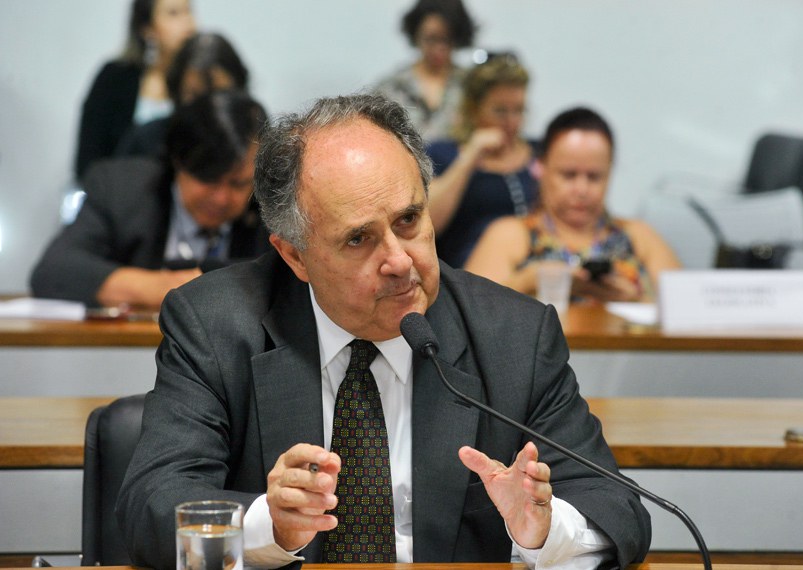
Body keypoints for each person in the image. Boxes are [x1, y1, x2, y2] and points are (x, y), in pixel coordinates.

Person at [115, 94, 651, 569]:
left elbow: (618, 511)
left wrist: (543, 530)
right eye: (358, 239)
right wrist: (268, 524)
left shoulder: (514, 336)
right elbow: (150, 508)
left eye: (408, 221)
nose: (399, 261)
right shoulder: (216, 325)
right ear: (295, 255)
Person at [30, 90, 269, 310]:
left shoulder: (271, 206)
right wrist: (170, 287)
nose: (221, 198)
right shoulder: (120, 189)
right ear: (178, 161)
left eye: (238, 184)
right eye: (208, 179)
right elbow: (54, 271)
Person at [465, 107, 681, 302]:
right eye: (568, 175)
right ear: (541, 168)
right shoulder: (511, 235)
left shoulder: (639, 237)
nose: (582, 190)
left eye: (594, 177)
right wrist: (526, 282)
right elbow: (470, 309)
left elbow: (687, 311)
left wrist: (635, 299)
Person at [427, 53, 539, 268]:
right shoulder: (443, 154)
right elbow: (428, 223)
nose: (511, 122)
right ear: (473, 109)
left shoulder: (539, 152)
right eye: (500, 111)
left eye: (518, 110)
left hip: (533, 266)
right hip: (468, 273)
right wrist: (470, 156)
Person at [74, 0, 196, 181]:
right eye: (173, 13)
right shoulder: (115, 78)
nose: (188, 23)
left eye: (189, 11)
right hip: (116, 190)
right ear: (147, 28)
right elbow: (88, 160)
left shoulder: (201, 83)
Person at [115, 31, 250, 160]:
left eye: (220, 94)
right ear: (176, 92)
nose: (209, 108)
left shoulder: (254, 144)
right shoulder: (145, 142)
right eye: (195, 96)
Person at [374, 0, 476, 142]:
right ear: (416, 35)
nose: (439, 48)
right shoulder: (392, 87)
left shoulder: (472, 86)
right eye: (431, 39)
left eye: (447, 39)